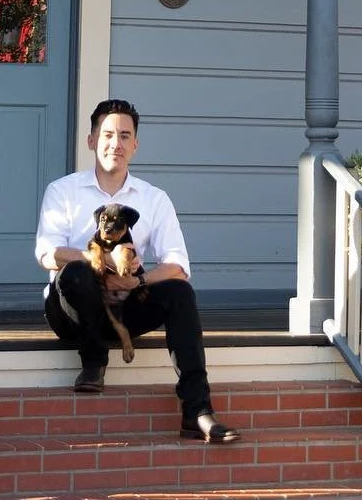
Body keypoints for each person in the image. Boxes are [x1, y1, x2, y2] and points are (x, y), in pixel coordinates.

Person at [34, 98, 241, 444]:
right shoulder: (63, 191)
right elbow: (46, 254)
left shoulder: (153, 198)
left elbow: (178, 265)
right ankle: (93, 361)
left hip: (124, 305)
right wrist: (100, 260)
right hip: (72, 314)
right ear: (91, 140)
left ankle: (198, 412)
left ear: (135, 145)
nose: (116, 144)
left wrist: (137, 279)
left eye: (125, 136)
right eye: (107, 135)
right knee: (75, 272)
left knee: (180, 292)